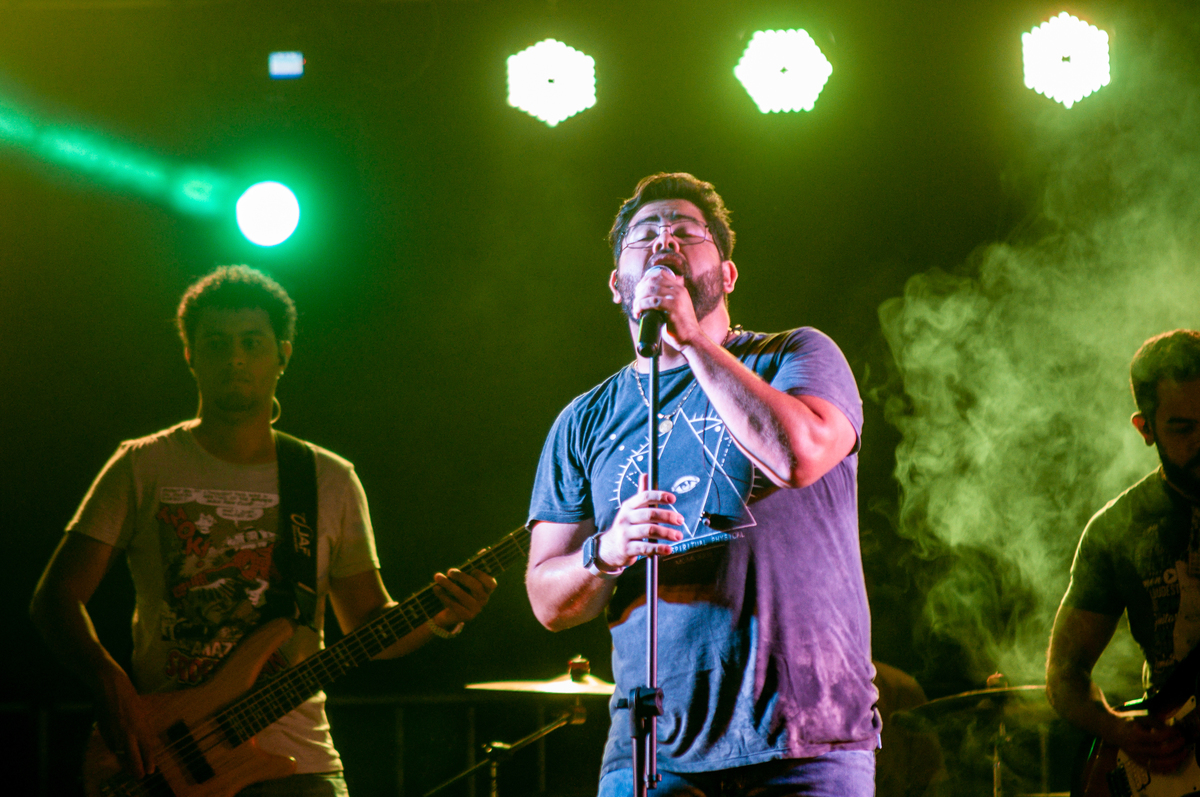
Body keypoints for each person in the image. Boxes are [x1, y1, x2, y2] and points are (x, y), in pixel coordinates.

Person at [29, 265, 497, 796]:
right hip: (170, 759)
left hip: (299, 763)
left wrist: (443, 615)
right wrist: (108, 681)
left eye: (252, 343)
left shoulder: (327, 478)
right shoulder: (142, 465)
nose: (235, 358)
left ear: (283, 354)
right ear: (190, 355)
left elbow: (367, 623)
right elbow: (56, 598)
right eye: (217, 343)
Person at [525, 173, 880, 796]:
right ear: (617, 284)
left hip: (805, 743)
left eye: (687, 232)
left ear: (728, 274)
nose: (665, 240)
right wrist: (608, 550)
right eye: (645, 234)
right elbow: (547, 600)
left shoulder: (795, 355)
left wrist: (690, 339)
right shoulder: (584, 420)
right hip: (653, 755)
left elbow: (797, 456)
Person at [1047, 329, 1200, 774]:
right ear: (1145, 428)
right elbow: (1065, 673)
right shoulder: (1118, 530)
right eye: (1183, 428)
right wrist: (1121, 732)